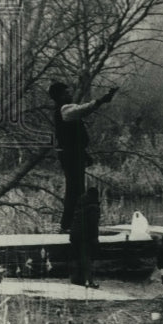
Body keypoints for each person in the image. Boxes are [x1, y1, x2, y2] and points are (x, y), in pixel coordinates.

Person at [48, 81, 118, 231]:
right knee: (74, 189)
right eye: (66, 93)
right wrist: (101, 100)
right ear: (60, 96)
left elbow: (73, 138)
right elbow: (84, 109)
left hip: (72, 153)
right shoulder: (65, 109)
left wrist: (84, 155)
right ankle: (68, 225)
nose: (70, 94)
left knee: (76, 188)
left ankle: (72, 223)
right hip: (70, 154)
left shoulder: (66, 110)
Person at [69, 187, 101, 287]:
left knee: (76, 256)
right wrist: (95, 238)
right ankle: (89, 281)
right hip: (85, 236)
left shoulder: (80, 203)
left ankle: (76, 279)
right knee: (87, 258)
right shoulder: (93, 207)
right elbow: (93, 224)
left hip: (74, 234)